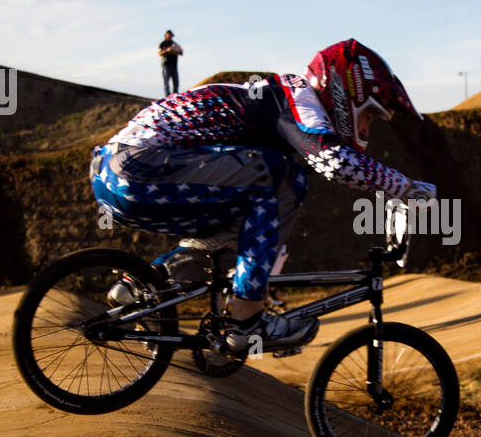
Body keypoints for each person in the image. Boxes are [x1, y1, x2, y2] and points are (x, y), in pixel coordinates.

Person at [92, 38, 435, 352]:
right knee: (286, 177)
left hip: (119, 174)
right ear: (348, 91)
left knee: (248, 227)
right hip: (140, 168)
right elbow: (332, 160)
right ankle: (246, 319)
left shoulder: (277, 98)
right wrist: (405, 187)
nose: (366, 130)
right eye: (370, 116)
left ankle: (144, 287)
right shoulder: (294, 96)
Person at [158, 30, 182, 95]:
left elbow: (181, 53)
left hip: (174, 64)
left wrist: (179, 50)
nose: (169, 36)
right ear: (165, 35)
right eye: (168, 34)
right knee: (166, 81)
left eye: (170, 35)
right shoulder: (163, 43)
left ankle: (175, 94)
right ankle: (167, 95)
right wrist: (167, 50)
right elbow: (159, 53)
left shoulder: (175, 44)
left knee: (176, 81)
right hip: (166, 64)